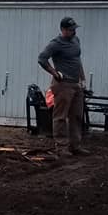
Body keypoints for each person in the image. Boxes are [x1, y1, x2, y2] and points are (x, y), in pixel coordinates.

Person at [38, 17, 89, 156]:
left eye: (74, 29)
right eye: (71, 30)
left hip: (76, 84)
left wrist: (82, 78)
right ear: (63, 30)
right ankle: (61, 147)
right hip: (63, 85)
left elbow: (77, 61)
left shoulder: (76, 41)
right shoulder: (56, 44)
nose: (73, 32)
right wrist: (55, 73)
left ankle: (75, 145)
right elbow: (42, 58)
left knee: (77, 115)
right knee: (60, 116)